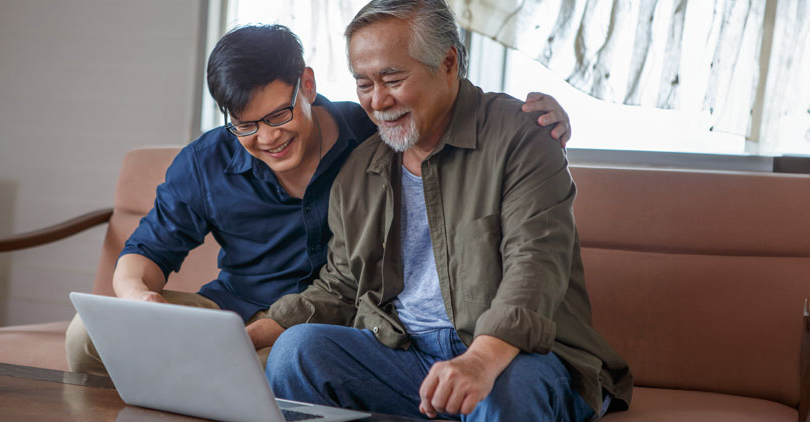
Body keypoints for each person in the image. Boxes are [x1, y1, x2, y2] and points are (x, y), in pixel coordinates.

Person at [65, 23, 573, 376]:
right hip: (232, 317)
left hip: (333, 325)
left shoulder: (370, 132)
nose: (266, 138)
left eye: (279, 115)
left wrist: (539, 119)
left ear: (306, 83)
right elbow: (141, 258)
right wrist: (141, 302)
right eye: (245, 125)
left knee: (292, 360)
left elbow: (442, 113)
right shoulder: (206, 162)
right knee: (86, 336)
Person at [250, 1, 632, 421]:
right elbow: (342, 284)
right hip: (405, 357)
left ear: (448, 62)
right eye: (363, 84)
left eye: (393, 79)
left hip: (518, 356)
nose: (377, 101)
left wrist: (480, 358)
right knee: (294, 353)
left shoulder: (523, 137)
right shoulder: (360, 170)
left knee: (505, 389)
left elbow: (536, 262)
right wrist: (250, 336)